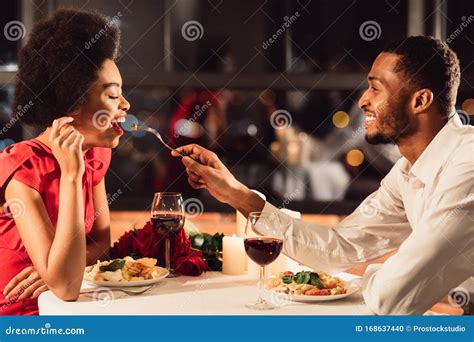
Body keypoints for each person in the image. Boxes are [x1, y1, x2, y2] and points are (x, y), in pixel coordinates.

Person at [172, 36, 473, 315]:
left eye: (376, 88)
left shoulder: (467, 165)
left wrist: (376, 275)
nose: (363, 101)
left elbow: (392, 298)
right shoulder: (407, 171)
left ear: (420, 101)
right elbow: (339, 246)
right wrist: (236, 193)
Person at [0, 9, 130, 315]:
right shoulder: (24, 167)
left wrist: (53, 272)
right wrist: (72, 177)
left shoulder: (96, 154)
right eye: (112, 96)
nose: (126, 105)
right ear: (71, 102)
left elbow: (101, 244)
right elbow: (67, 288)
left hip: (70, 309)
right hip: (20, 316)